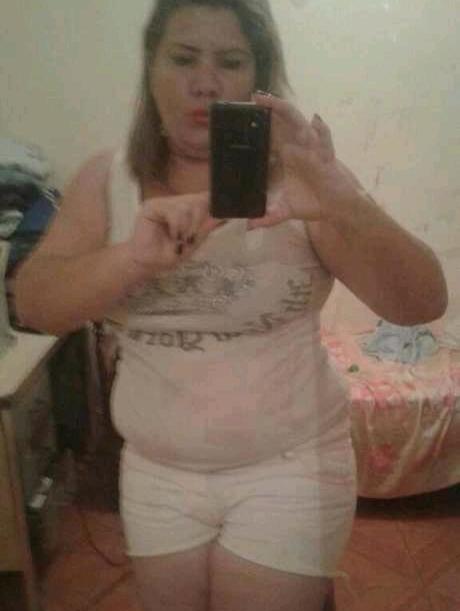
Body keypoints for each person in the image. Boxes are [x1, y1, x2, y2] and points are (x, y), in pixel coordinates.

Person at [12, 1, 448, 610]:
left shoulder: (304, 180)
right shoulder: (108, 179)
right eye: (183, 58)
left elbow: (421, 302)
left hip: (288, 467)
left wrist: (346, 203)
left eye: (231, 61)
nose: (205, 81)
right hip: (156, 472)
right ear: (151, 68)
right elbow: (34, 305)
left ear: (259, 79)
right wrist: (131, 259)